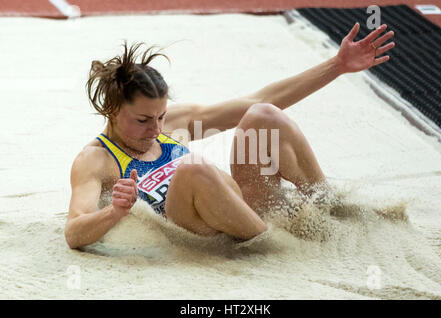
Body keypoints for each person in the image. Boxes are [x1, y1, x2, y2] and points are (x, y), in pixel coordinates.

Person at [65, 22, 395, 249]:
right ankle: (277, 246)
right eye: (143, 120)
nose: (156, 129)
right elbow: (73, 232)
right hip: (204, 235)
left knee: (262, 115)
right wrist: (114, 212)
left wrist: (337, 65)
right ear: (112, 111)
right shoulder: (95, 160)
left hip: (242, 210)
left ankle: (329, 206)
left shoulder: (172, 123)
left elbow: (260, 99)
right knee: (192, 169)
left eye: (161, 117)